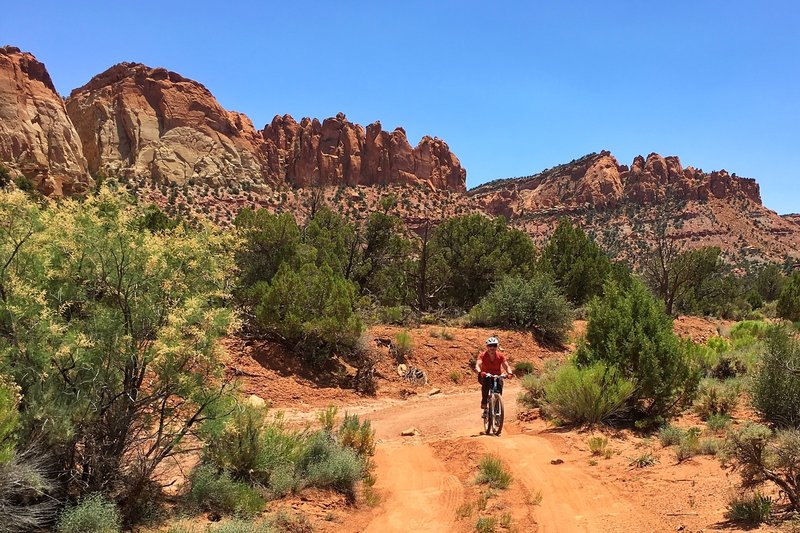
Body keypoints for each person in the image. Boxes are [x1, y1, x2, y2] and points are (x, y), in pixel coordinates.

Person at [475, 336, 513, 413]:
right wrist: (479, 372)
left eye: (494, 345)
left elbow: (506, 365)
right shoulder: (482, 355)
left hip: (496, 376)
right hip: (485, 375)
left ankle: (497, 408)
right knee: (486, 383)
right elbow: (477, 365)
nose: (492, 347)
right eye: (490, 345)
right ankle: (484, 402)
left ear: (497, 346)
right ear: (487, 346)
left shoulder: (500, 356)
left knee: (499, 386)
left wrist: (510, 373)